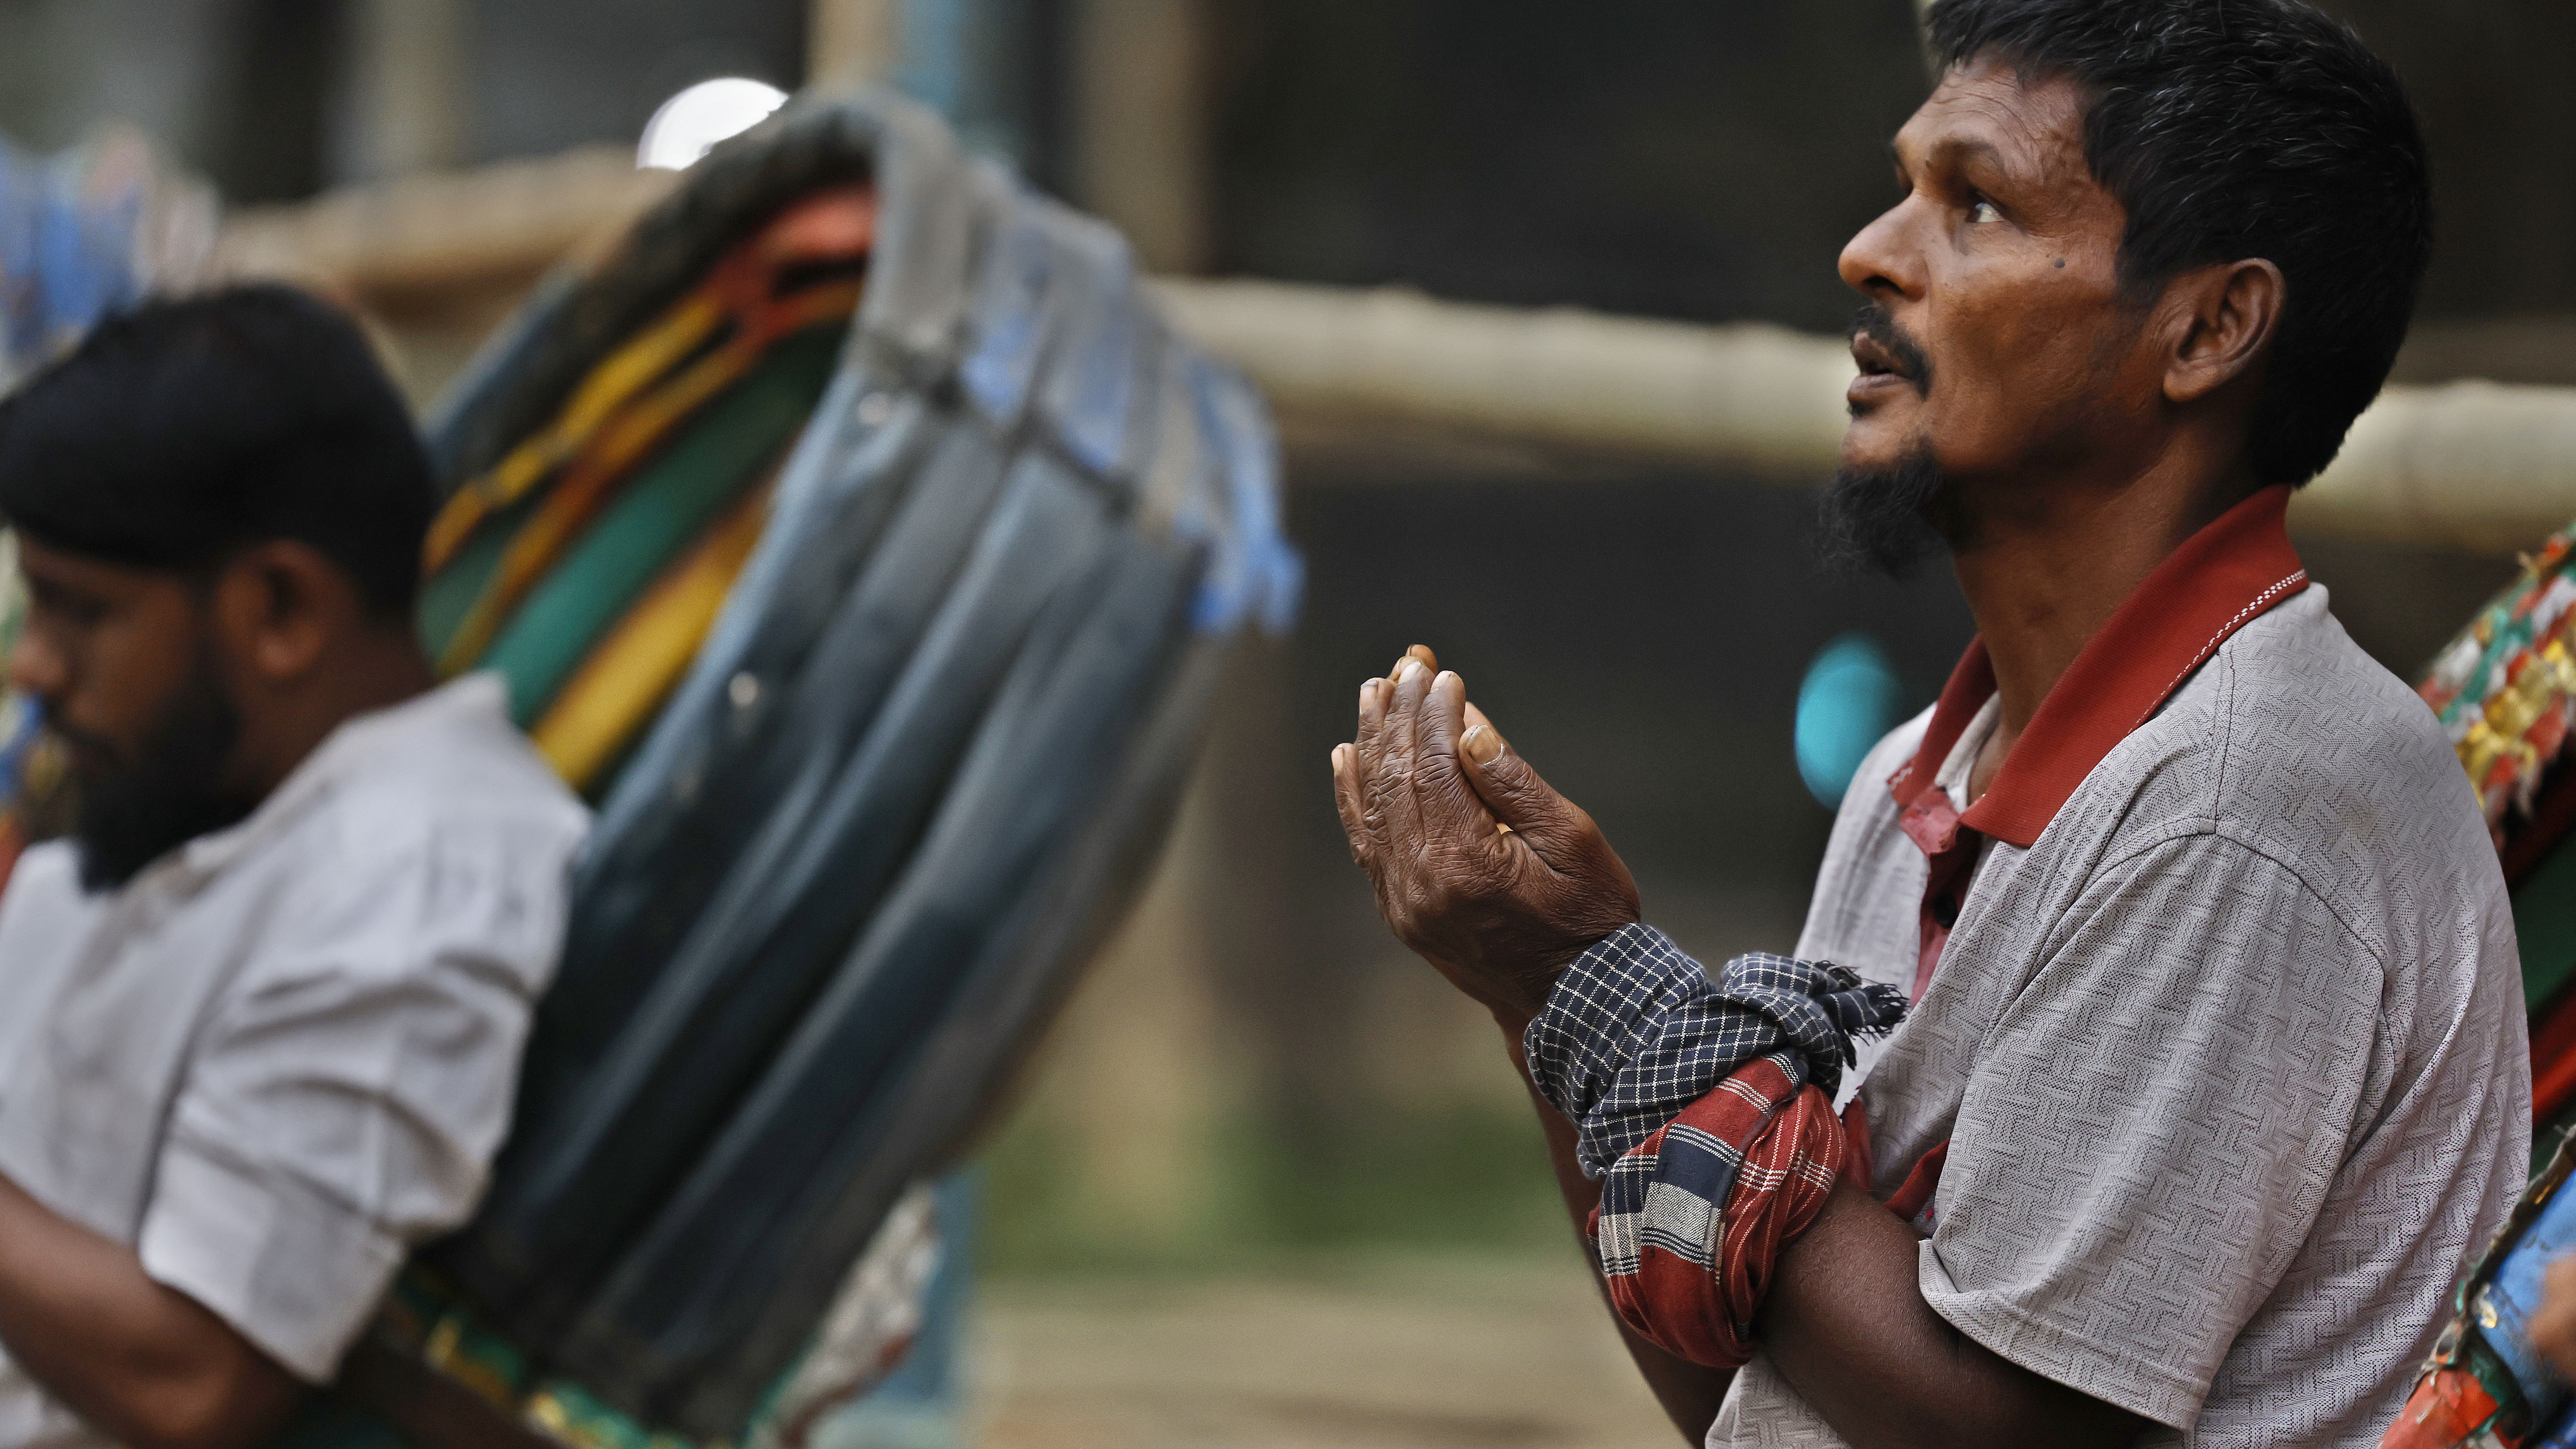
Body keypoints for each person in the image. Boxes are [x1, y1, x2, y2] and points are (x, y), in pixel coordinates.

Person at [1331, 2, 2525, 1446]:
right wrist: (1552, 1008)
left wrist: (1611, 994)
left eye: (1978, 204)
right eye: (1909, 188)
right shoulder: (1920, 774)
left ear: (2208, 327)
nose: (1874, 252)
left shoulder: (2252, 800)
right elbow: (1758, 1379)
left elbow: (2009, 1433)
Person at [0, 285, 587, 1449]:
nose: (35, 668)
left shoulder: (415, 881)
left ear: (280, 609)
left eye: (80, 615)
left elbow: (199, 1376)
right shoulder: (196, 795)